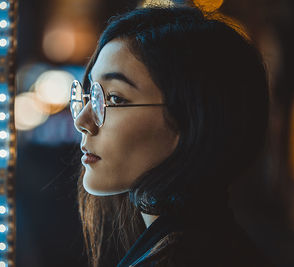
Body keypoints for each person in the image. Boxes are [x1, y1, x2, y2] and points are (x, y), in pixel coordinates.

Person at [70, 4, 273, 267]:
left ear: (193, 119)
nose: (81, 121)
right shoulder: (217, 242)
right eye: (89, 95)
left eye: (114, 98)